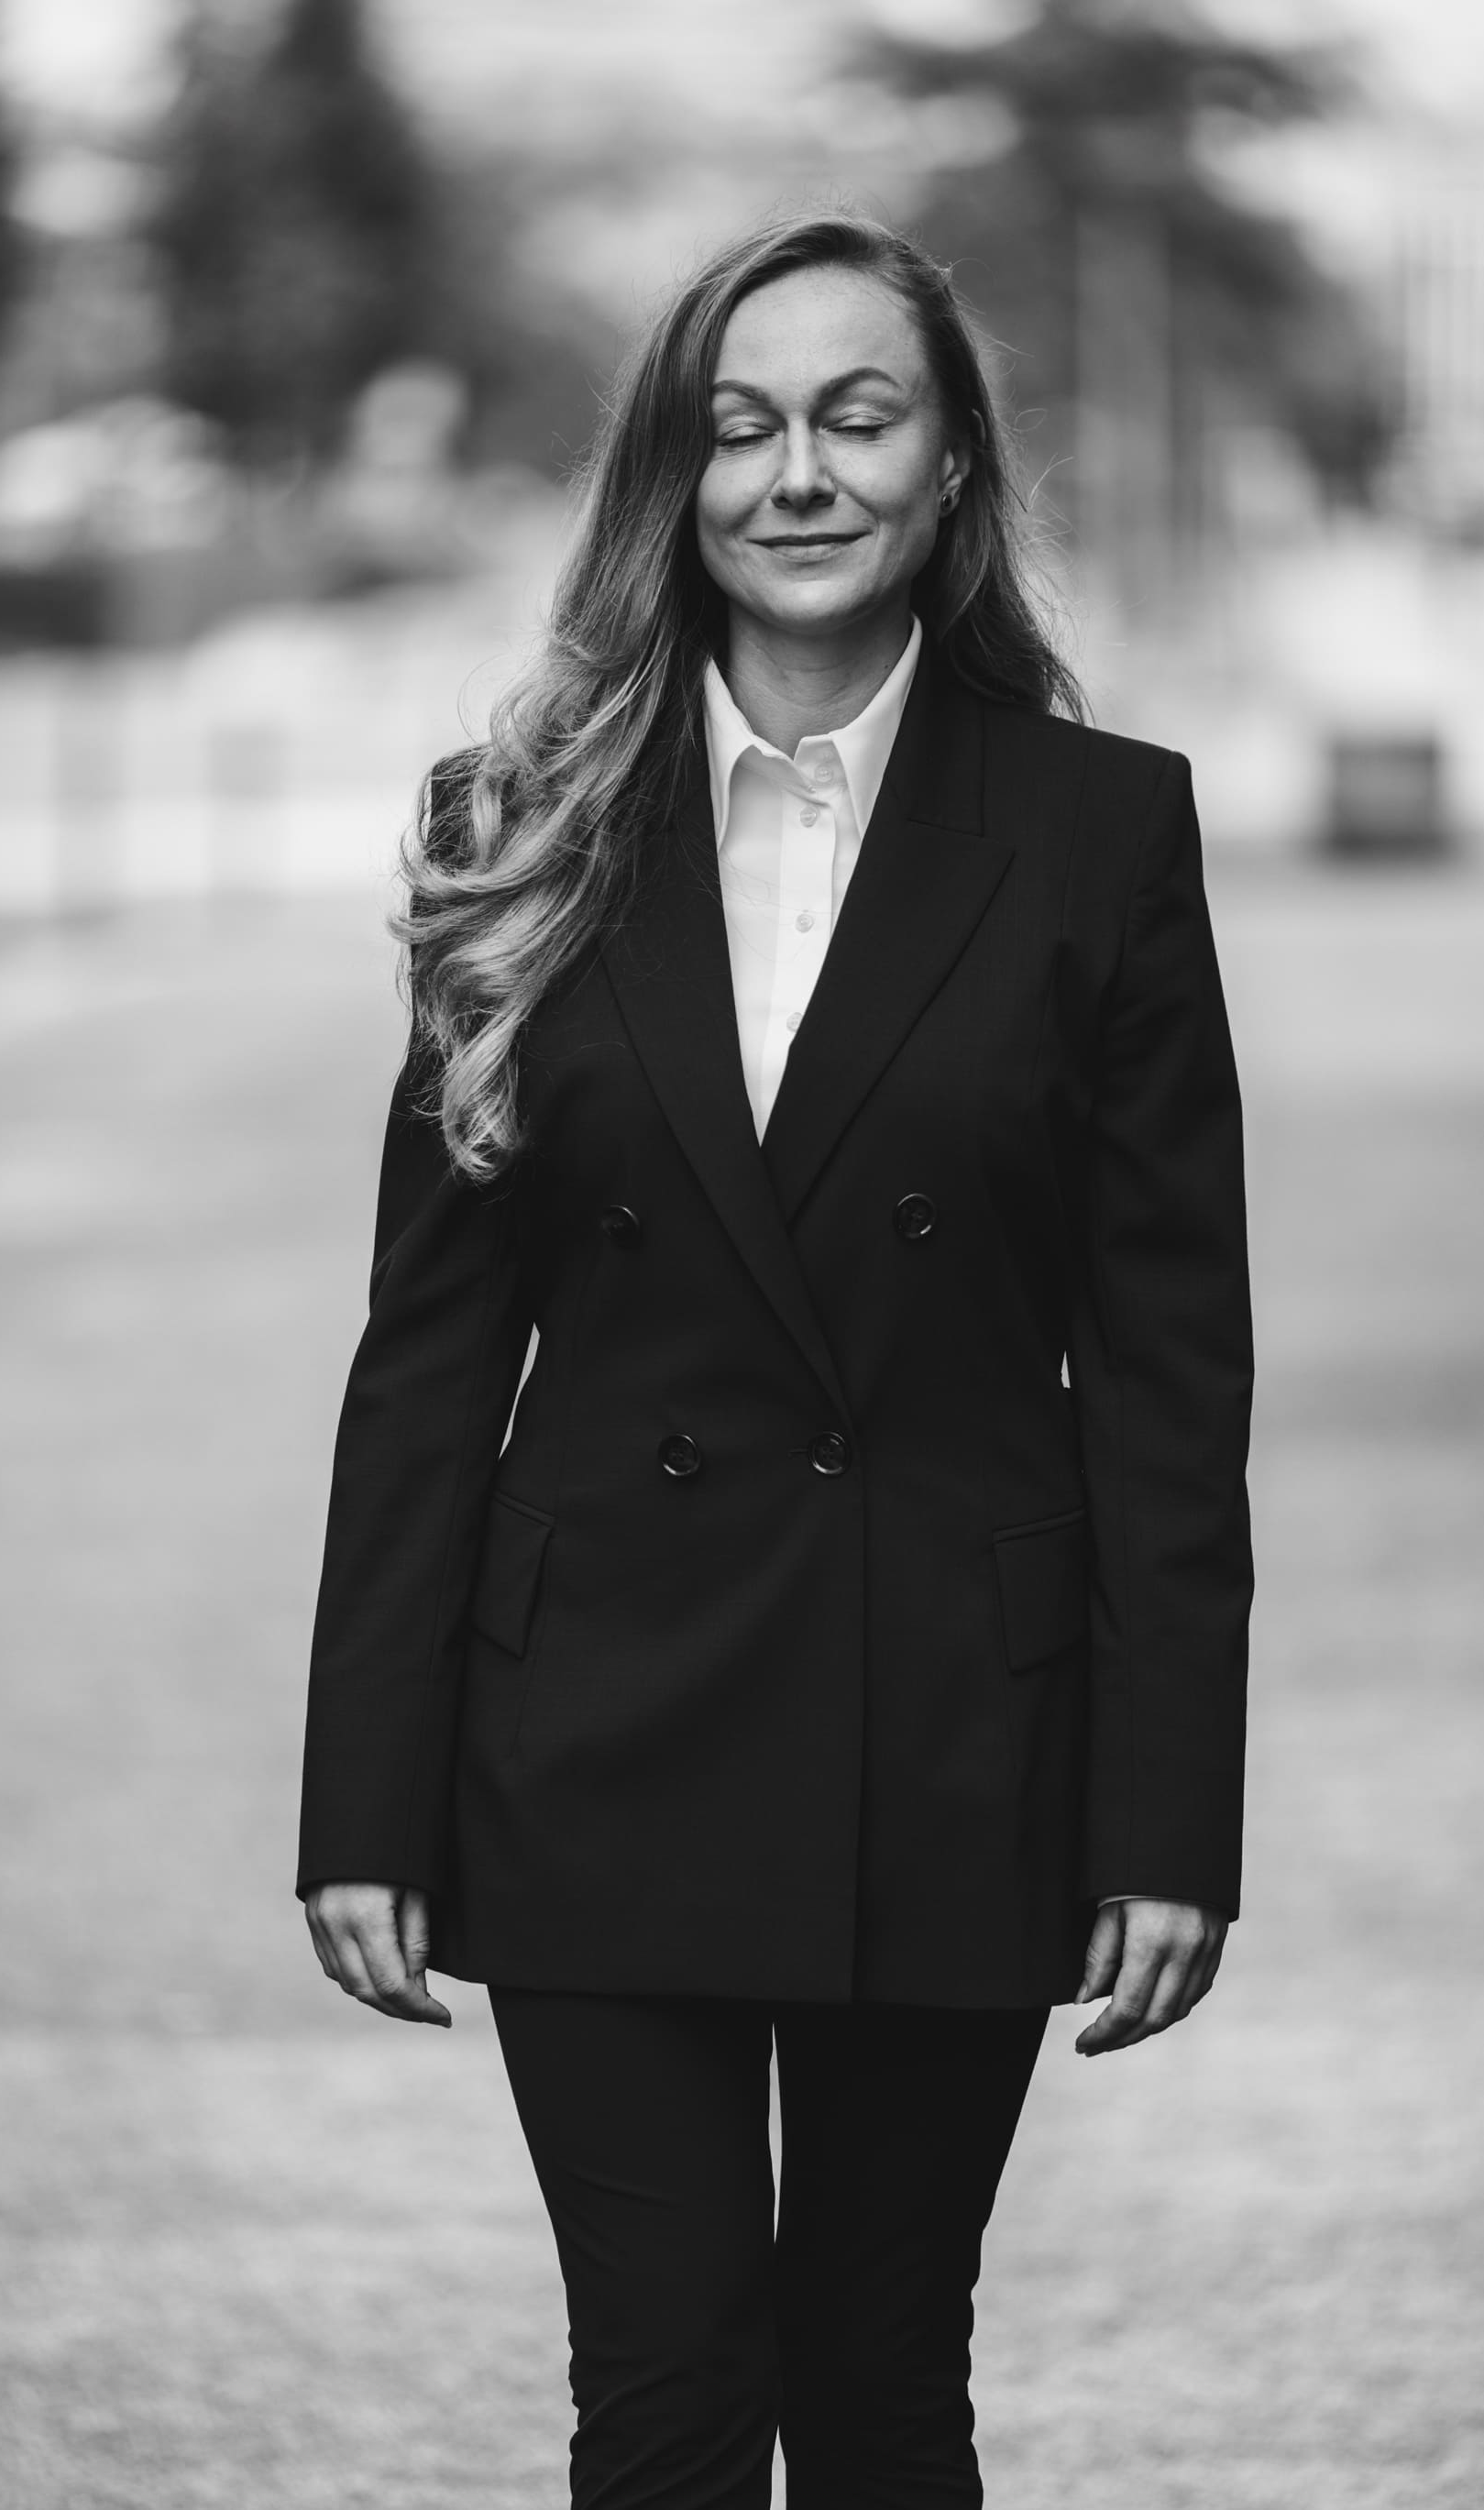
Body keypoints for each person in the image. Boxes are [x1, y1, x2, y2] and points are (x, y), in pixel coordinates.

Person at [298, 212, 1253, 2510]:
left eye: (855, 416)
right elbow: (428, 1351)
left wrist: (1165, 1813)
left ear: (949, 470)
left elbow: (1162, 1358)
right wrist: (364, 1793)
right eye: (738, 426)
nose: (794, 475)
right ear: (671, 478)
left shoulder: (1097, 827)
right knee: (661, 2395)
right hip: (596, 1715)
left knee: (882, 2385)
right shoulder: (510, 824)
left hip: (951, 1713)